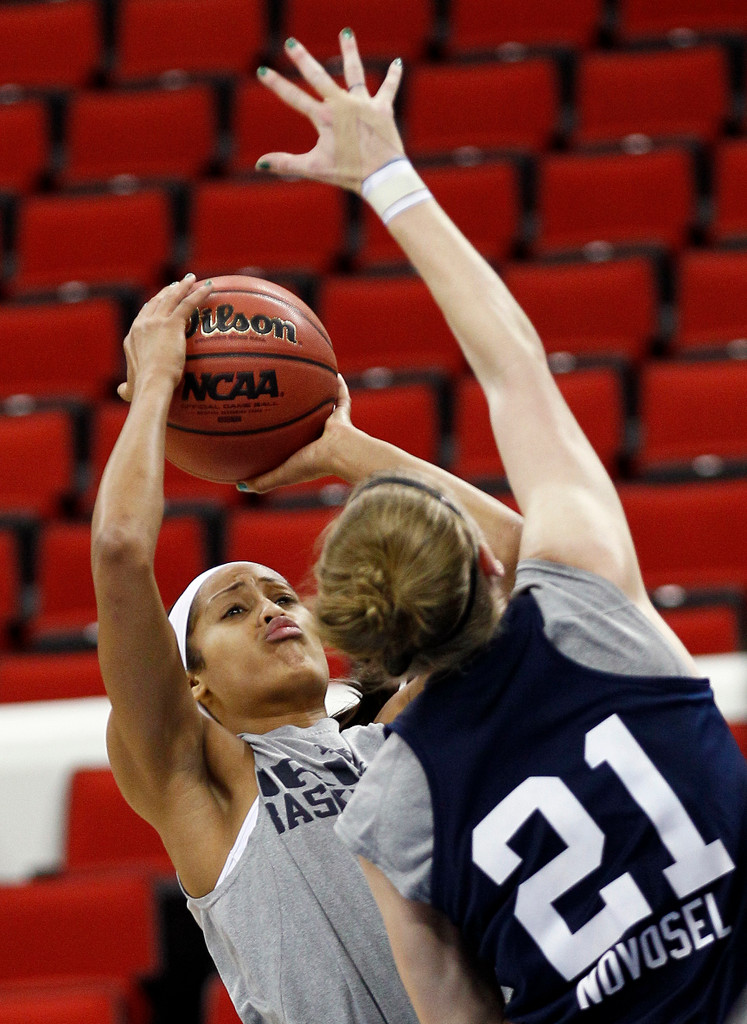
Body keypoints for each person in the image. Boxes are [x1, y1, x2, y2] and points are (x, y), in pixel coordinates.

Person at [253, 28, 747, 1024]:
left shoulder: (389, 810)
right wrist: (387, 174)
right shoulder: (591, 607)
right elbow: (515, 366)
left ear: (356, 642)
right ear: (486, 565)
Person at [90, 265, 522, 1024]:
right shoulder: (204, 783)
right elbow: (122, 550)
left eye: (281, 595)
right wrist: (156, 385)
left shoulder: (399, 740)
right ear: (195, 686)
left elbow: (516, 560)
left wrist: (343, 449)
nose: (270, 610)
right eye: (232, 611)